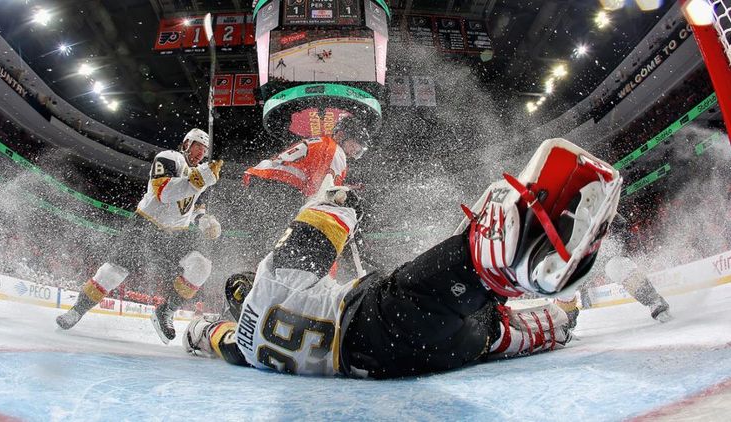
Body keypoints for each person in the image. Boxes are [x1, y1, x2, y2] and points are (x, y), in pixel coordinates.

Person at [183, 138, 623, 378]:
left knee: (485, 332)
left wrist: (197, 333)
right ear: (243, 291)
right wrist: (340, 197)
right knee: (468, 267)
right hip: (371, 322)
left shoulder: (246, 348)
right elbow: (334, 207)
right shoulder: (271, 280)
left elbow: (214, 338)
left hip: (388, 364)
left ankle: (555, 322)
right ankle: (516, 249)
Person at [55, 128, 225, 343]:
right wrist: (198, 180)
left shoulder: (202, 174)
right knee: (113, 272)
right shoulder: (169, 158)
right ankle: (77, 310)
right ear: (186, 144)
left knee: (201, 267)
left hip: (176, 233)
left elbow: (192, 208)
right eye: (198, 146)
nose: (201, 153)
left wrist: (204, 221)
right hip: (145, 225)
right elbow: (165, 193)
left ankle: (166, 311)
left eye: (205, 150)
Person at [237, 114, 369, 266]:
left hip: (265, 180)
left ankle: (257, 267)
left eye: (358, 150)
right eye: (354, 145)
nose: (354, 152)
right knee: (284, 234)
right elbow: (322, 193)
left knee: (271, 232)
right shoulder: (336, 152)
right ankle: (269, 269)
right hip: (277, 185)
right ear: (341, 135)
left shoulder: (323, 143)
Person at [556, 214, 672, 327]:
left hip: (605, 256)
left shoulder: (593, 210)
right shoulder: (561, 222)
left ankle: (654, 301)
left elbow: (620, 224)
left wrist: (609, 229)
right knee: (566, 283)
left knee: (618, 267)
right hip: (578, 262)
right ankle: (564, 322)